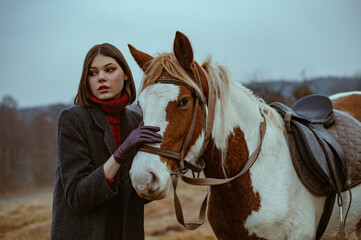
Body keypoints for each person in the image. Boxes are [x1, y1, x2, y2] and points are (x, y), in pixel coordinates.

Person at [50, 43, 162, 240]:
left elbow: (136, 197)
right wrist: (122, 152)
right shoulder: (72, 120)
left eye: (109, 70)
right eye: (92, 73)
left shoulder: (136, 122)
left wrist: (162, 172)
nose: (101, 78)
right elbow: (77, 197)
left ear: (126, 74)